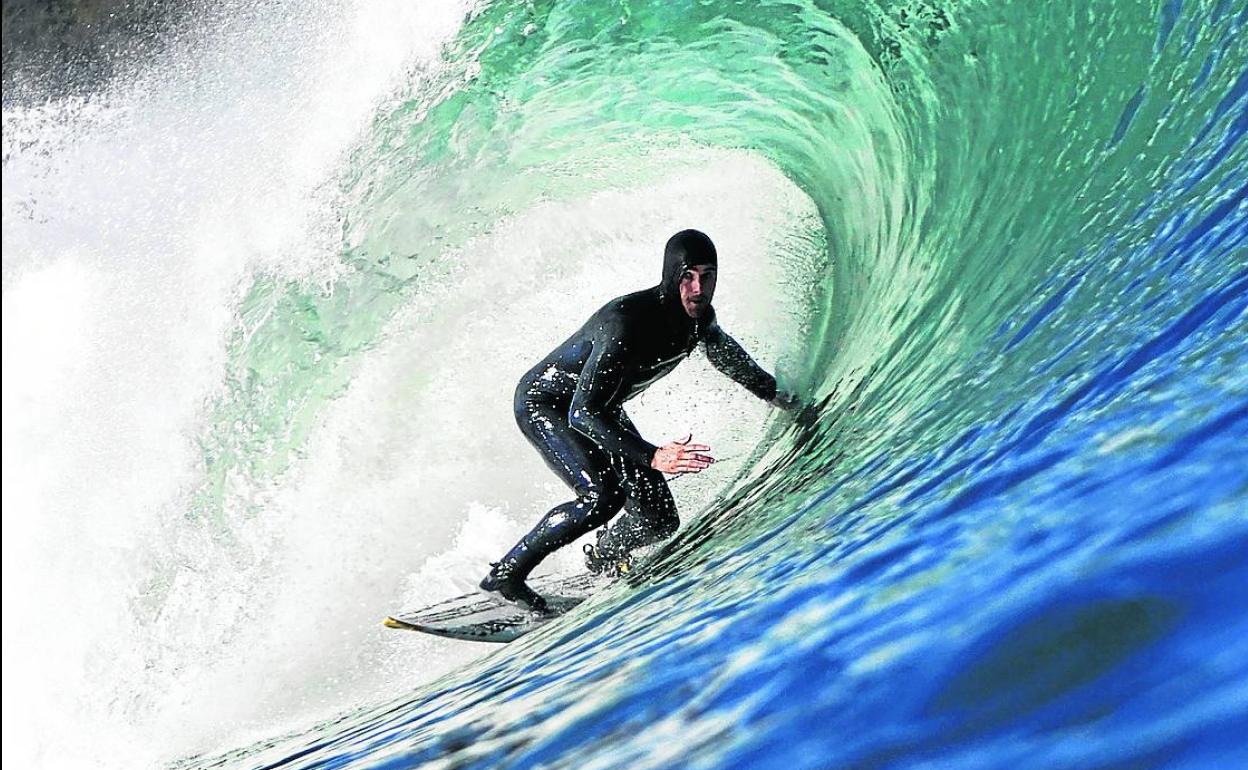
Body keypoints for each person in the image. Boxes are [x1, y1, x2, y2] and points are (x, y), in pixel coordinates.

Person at [480, 229, 794, 612]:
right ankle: (506, 576)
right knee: (602, 497)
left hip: (600, 409)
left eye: (707, 276)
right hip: (546, 403)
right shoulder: (626, 323)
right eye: (687, 277)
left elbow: (723, 352)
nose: (698, 289)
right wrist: (652, 456)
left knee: (659, 518)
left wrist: (773, 393)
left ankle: (603, 557)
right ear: (671, 275)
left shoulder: (697, 320)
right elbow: (582, 412)